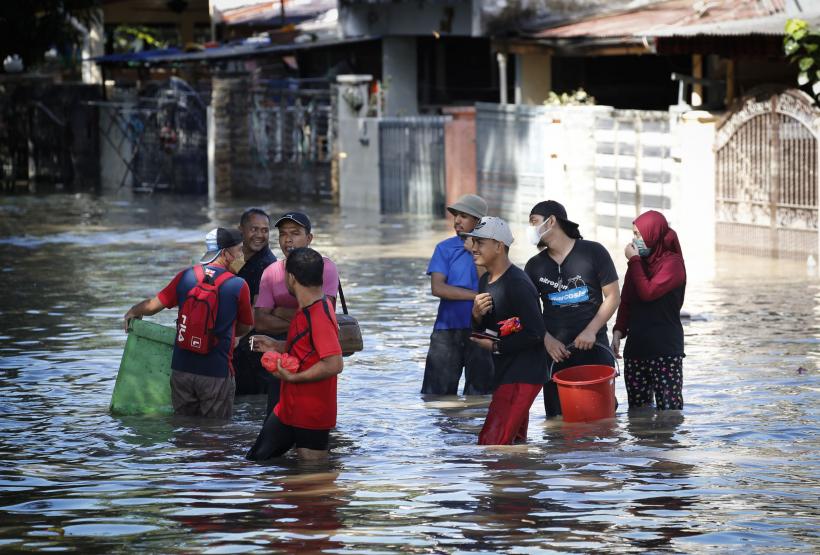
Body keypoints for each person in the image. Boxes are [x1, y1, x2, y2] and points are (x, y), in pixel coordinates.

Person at [123, 228, 253, 419]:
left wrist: (133, 311)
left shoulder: (185, 277)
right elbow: (246, 326)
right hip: (216, 373)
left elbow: (152, 306)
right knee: (215, 437)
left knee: (184, 431)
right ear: (225, 253)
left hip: (181, 370)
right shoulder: (238, 285)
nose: (242, 255)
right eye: (239, 250)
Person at [523, 200, 620, 418]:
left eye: (533, 222)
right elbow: (528, 312)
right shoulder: (534, 266)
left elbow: (613, 296)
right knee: (558, 423)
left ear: (552, 221)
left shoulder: (594, 252)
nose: (530, 229)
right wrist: (547, 340)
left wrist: (591, 330)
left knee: (601, 420)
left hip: (595, 350)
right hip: (555, 355)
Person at [246, 247, 343, 460]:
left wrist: (294, 377)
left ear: (291, 278)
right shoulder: (306, 308)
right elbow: (308, 350)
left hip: (312, 410)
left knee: (312, 473)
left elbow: (334, 363)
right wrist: (275, 345)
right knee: (256, 460)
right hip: (288, 406)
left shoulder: (319, 314)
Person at [464, 217, 548, 445]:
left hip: (524, 374)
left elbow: (536, 333)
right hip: (504, 373)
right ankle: (518, 480)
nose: (473, 248)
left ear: (499, 246)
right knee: (513, 445)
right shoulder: (485, 282)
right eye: (473, 242)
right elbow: (486, 330)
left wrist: (496, 346)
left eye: (480, 243)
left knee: (491, 445)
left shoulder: (518, 284)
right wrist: (476, 315)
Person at [255, 212, 338, 415]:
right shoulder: (271, 272)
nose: (288, 239)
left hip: (314, 352)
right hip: (280, 354)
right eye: (283, 234)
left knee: (311, 407)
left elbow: (325, 313)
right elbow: (261, 322)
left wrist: (279, 311)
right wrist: (301, 319)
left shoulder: (324, 267)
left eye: (295, 233)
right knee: (276, 408)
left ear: (309, 238)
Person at [612, 210, 686, 410]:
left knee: (670, 414)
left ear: (653, 234)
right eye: (634, 234)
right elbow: (626, 300)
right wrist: (618, 332)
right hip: (636, 351)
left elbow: (648, 292)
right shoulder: (637, 265)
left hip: (665, 351)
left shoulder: (673, 265)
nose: (634, 240)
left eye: (638, 234)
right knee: (638, 414)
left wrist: (634, 261)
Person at [421, 194, 494, 395]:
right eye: (455, 216)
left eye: (464, 216)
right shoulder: (444, 248)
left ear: (478, 222)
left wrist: (474, 252)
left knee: (481, 396)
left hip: (482, 331)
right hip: (446, 330)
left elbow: (489, 286)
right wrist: (475, 297)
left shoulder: (493, 249)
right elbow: (438, 288)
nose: (457, 221)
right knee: (436, 395)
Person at [233, 208, 278, 396]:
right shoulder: (236, 256)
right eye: (254, 229)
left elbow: (255, 309)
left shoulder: (267, 264)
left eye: (265, 230)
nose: (260, 235)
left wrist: (234, 338)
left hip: (252, 344)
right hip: (237, 337)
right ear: (241, 230)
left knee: (251, 397)